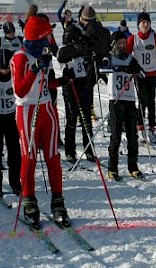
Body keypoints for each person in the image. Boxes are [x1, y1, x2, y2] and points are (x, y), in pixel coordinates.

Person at [11, 15, 73, 225]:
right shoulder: (21, 57)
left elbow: (46, 84)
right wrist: (35, 69)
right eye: (46, 36)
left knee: (53, 156)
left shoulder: (43, 54)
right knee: (29, 157)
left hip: (47, 109)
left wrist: (62, 80)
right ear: (36, 38)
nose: (49, 41)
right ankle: (29, 199)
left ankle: (58, 201)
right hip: (28, 110)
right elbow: (20, 89)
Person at [99, 31, 144, 180]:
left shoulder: (130, 58)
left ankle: (133, 167)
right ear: (114, 44)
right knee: (116, 136)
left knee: (132, 136)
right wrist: (116, 68)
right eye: (119, 43)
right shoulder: (110, 57)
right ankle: (113, 168)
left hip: (130, 99)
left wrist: (132, 69)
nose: (122, 45)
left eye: (124, 43)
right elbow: (102, 69)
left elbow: (141, 73)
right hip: (116, 100)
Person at [57, 20, 95, 163]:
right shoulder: (64, 49)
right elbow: (62, 56)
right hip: (70, 85)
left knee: (86, 118)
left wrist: (85, 42)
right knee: (72, 118)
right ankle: (70, 151)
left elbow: (91, 49)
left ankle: (89, 149)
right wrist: (77, 46)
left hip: (83, 83)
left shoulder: (81, 46)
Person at [127, 12, 156, 144]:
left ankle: (152, 129)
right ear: (138, 25)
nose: (146, 24)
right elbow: (126, 54)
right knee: (143, 101)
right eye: (143, 22)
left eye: (147, 22)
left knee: (152, 102)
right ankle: (141, 127)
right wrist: (131, 68)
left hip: (152, 74)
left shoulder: (155, 37)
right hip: (140, 75)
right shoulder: (134, 38)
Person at [0, 49, 21, 196]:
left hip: (12, 118)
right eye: (1, 68)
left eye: (6, 67)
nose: (4, 71)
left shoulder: (15, 76)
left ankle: (15, 183)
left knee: (14, 152)